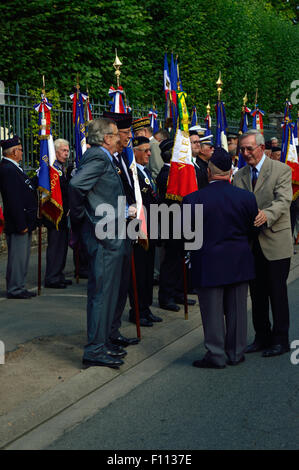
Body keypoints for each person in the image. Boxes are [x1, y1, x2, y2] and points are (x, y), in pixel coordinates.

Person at [182, 148, 258, 369]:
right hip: (239, 261)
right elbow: (253, 230)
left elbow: (188, 236)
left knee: (212, 312)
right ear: (231, 172)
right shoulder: (246, 197)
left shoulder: (192, 199)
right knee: (238, 310)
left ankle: (216, 355)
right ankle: (235, 352)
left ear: (208, 171)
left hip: (208, 262)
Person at [69, 117, 127, 369]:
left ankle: (103, 343)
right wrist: (85, 218)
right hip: (103, 236)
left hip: (110, 233)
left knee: (108, 292)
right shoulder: (98, 157)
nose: (120, 138)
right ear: (106, 138)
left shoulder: (104, 157)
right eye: (115, 135)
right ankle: (95, 348)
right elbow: (75, 185)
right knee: (101, 294)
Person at [233, 129, 293, 357]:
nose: (246, 153)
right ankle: (262, 336)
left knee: (277, 293)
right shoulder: (240, 175)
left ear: (261, 147)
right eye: (242, 149)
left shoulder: (281, 170)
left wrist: (267, 215)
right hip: (250, 245)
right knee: (257, 294)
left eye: (250, 149)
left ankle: (281, 340)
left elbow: (283, 200)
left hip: (275, 241)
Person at [102, 110, 139, 348]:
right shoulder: (101, 158)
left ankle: (113, 331)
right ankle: (103, 335)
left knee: (122, 285)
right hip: (110, 231)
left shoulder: (123, 158)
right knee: (109, 288)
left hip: (126, 229)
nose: (128, 137)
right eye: (125, 133)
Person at [128, 136, 162, 326]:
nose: (149, 153)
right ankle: (137, 311)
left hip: (151, 230)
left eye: (150, 149)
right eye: (145, 150)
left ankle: (146, 308)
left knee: (148, 273)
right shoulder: (133, 174)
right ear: (135, 151)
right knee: (139, 273)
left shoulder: (145, 171)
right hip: (139, 231)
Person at [0, 135, 38, 299]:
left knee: (22, 257)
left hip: (24, 220)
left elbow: (26, 188)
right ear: (14, 152)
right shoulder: (8, 169)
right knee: (17, 258)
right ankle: (15, 288)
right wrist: (21, 223)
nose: (22, 153)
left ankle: (19, 286)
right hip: (18, 222)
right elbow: (13, 199)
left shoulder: (14, 168)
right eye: (21, 150)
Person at [44, 138, 72, 288]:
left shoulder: (61, 168)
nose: (66, 154)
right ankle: (52, 277)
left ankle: (59, 274)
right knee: (55, 247)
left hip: (64, 215)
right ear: (55, 152)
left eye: (67, 151)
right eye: (63, 151)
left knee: (62, 246)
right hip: (55, 214)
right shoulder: (51, 169)